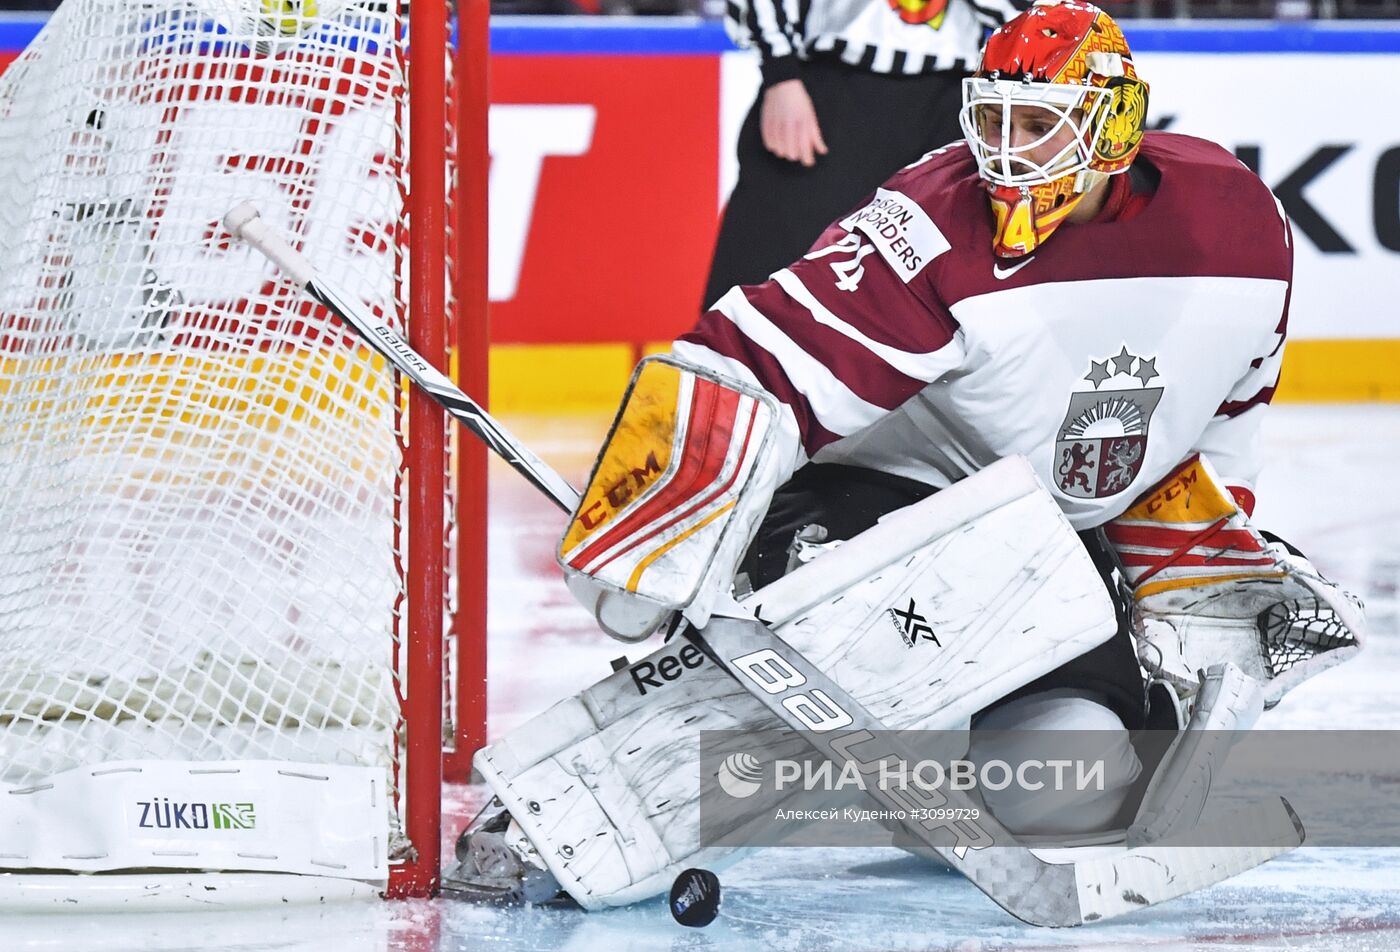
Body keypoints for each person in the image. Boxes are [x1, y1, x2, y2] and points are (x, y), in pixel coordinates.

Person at [449, 0, 1364, 914]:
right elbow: (751, 360)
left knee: (1074, 792)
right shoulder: (931, 224)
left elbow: (1222, 409)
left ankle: (914, 768)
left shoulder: (1240, 225)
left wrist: (1192, 571)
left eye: (1035, 125)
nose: (1005, 153)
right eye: (991, 121)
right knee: (848, 657)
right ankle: (562, 810)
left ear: (1111, 129)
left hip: (1043, 555)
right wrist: (645, 531)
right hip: (870, 508)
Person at [702, 0, 1031, 311]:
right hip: (831, 82)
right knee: (767, 267)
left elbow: (1035, 14)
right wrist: (781, 74)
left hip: (952, 96)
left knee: (936, 277)